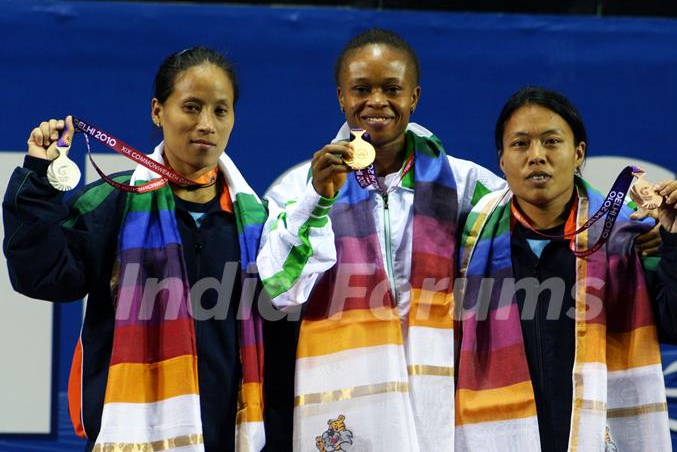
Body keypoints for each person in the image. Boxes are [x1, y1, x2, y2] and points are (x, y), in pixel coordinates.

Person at [3, 47, 266, 452]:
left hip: (227, 439)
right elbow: (43, 275)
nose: (206, 124)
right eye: (191, 107)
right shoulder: (113, 202)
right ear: (158, 111)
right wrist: (37, 177)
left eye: (220, 111)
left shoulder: (255, 221)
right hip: (130, 438)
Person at [257, 28, 506, 451]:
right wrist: (317, 199)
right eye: (361, 89)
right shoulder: (299, 185)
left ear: (414, 97)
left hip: (441, 391)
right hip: (344, 395)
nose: (376, 101)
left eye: (392, 88)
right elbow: (281, 288)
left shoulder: (468, 185)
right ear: (341, 96)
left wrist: (637, 228)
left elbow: (539, 227)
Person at [456, 85, 677, 451]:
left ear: (578, 153)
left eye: (551, 142)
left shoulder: (630, 240)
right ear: (501, 160)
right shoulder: (468, 245)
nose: (536, 156)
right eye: (520, 144)